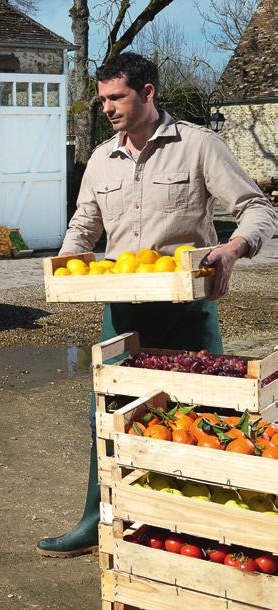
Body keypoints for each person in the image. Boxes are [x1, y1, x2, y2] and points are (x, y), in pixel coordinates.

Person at [37, 53, 277, 558]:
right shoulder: (102, 158)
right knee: (108, 415)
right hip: (122, 310)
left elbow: (257, 208)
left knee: (198, 414)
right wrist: (63, 264)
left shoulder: (198, 145)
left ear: (148, 93)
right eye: (102, 99)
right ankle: (97, 520)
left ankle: (201, 532)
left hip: (188, 310)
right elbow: (84, 225)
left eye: (116, 97)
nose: (107, 108)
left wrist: (232, 250)